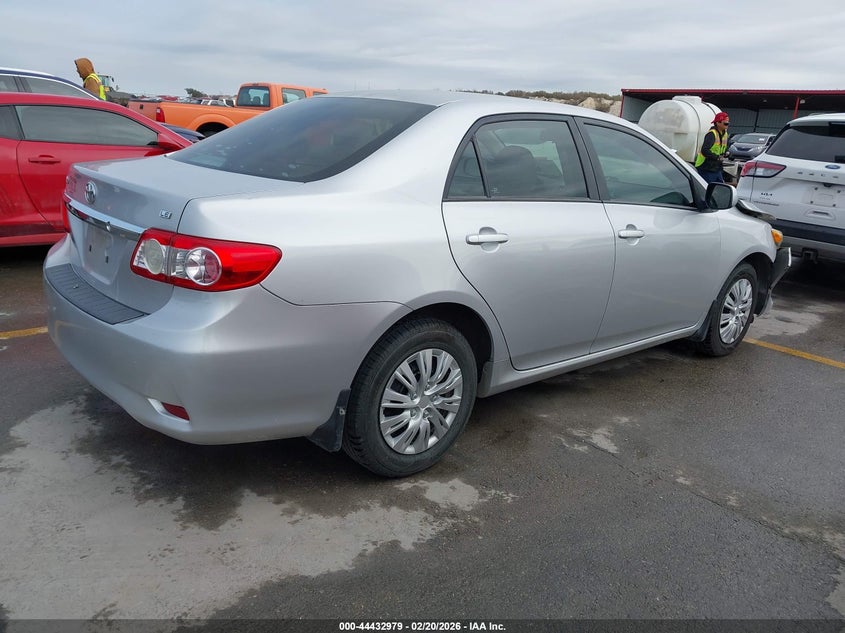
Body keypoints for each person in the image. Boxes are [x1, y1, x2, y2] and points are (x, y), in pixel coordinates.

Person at [694, 112, 730, 183]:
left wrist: (726, 153)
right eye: (725, 123)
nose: (727, 125)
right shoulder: (712, 134)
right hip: (706, 166)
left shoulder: (725, 134)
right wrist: (717, 157)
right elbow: (705, 150)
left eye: (728, 123)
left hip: (716, 167)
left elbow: (724, 147)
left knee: (719, 187)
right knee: (707, 188)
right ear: (717, 123)